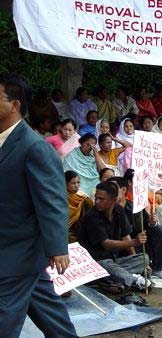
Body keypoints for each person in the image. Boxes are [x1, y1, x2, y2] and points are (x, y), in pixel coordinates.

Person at [0, 74, 77, 337]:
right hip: (13, 248)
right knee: (47, 309)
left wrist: (58, 247)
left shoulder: (34, 147)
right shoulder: (3, 140)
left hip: (19, 249)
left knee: (4, 315)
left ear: (14, 105)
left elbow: (52, 200)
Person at [78, 181, 151, 290]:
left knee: (144, 258)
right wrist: (134, 242)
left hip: (114, 261)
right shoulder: (92, 216)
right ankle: (131, 280)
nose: (96, 201)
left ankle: (115, 279)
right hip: (96, 263)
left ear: (113, 200)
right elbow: (106, 244)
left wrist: (135, 257)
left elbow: (125, 236)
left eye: (101, 199)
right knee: (106, 265)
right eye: (96, 198)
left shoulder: (118, 210)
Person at [108, 176, 162, 280]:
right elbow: (123, 237)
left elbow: (146, 226)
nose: (110, 194)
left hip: (138, 248)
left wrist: (151, 223)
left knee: (159, 230)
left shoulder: (134, 207)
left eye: (113, 190)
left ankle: (157, 268)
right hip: (118, 250)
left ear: (123, 190)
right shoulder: (107, 210)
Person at [65, 170, 93, 243]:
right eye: (73, 183)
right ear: (65, 184)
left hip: (80, 230)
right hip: (65, 231)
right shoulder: (61, 198)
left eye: (78, 182)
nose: (76, 185)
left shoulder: (82, 199)